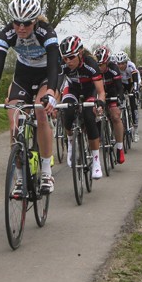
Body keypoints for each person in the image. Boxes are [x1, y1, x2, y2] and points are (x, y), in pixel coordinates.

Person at [0, 0, 59, 193]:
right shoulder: (6, 33)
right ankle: (21, 178)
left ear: (35, 20)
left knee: (40, 113)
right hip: (23, 73)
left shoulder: (46, 32)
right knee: (14, 124)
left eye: (26, 23)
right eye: (17, 23)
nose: (21, 28)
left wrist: (50, 92)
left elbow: (55, 65)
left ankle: (47, 172)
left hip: (46, 74)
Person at [59, 35, 107, 179]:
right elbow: (56, 86)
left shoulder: (91, 64)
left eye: (71, 57)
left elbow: (101, 91)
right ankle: (71, 144)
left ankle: (97, 162)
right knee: (66, 112)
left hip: (89, 91)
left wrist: (100, 103)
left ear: (80, 53)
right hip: (72, 89)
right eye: (65, 58)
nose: (68, 61)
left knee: (89, 117)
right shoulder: (63, 65)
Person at [94, 45, 125, 164]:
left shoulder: (113, 68)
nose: (99, 67)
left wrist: (119, 99)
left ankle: (120, 148)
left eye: (101, 65)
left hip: (112, 93)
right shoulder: (94, 69)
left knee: (116, 116)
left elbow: (119, 87)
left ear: (107, 62)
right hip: (99, 94)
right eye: (98, 65)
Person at [113, 51, 141, 142]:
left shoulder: (130, 66)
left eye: (123, 64)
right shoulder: (114, 67)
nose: (121, 66)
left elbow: (135, 79)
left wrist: (136, 90)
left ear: (126, 62)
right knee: (118, 102)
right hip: (121, 84)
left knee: (133, 106)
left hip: (130, 84)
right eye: (119, 64)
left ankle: (136, 131)